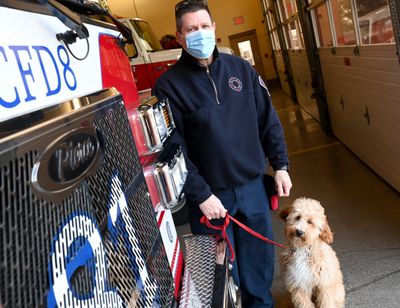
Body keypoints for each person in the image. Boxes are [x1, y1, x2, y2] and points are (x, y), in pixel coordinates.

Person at [152, 1, 292, 306]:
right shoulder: (168, 86)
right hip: (211, 200)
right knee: (221, 278)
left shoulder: (240, 69)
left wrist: (280, 164)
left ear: (214, 28)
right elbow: (174, 149)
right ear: (179, 36)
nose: (199, 34)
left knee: (258, 266)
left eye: (204, 26)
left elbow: (268, 120)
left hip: (252, 188)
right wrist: (200, 195)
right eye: (191, 29)